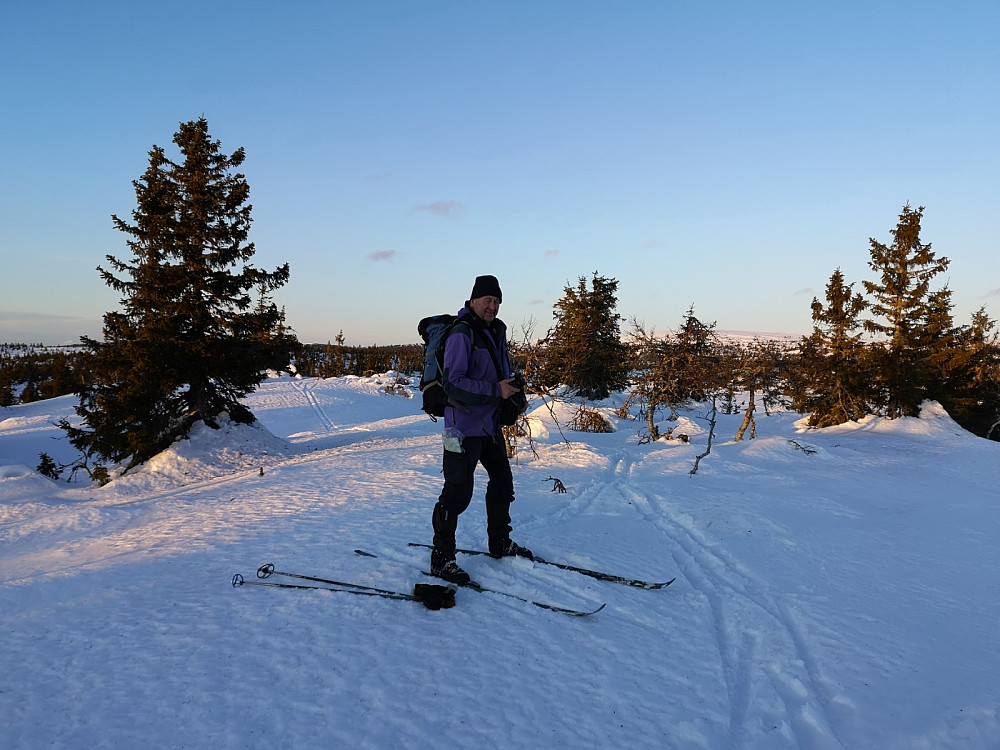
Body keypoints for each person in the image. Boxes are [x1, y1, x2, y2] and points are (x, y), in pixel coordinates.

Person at [429, 275, 532, 585]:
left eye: (497, 301)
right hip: (462, 427)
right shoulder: (462, 334)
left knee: (502, 483)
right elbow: (453, 383)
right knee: (457, 493)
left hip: (488, 427)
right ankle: (442, 557)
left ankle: (499, 542)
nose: (493, 305)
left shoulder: (493, 334)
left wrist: (513, 391)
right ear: (473, 300)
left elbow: (499, 377)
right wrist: (494, 391)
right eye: (487, 300)